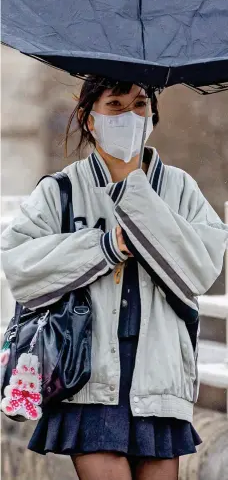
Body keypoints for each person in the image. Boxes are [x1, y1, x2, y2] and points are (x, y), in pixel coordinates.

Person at [1, 76, 228, 480]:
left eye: (139, 105)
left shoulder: (179, 189)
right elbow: (21, 266)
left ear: (152, 116)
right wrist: (103, 247)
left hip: (160, 380)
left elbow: (201, 270)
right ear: (90, 120)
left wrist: (134, 192)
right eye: (116, 106)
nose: (129, 116)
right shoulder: (62, 191)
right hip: (87, 378)